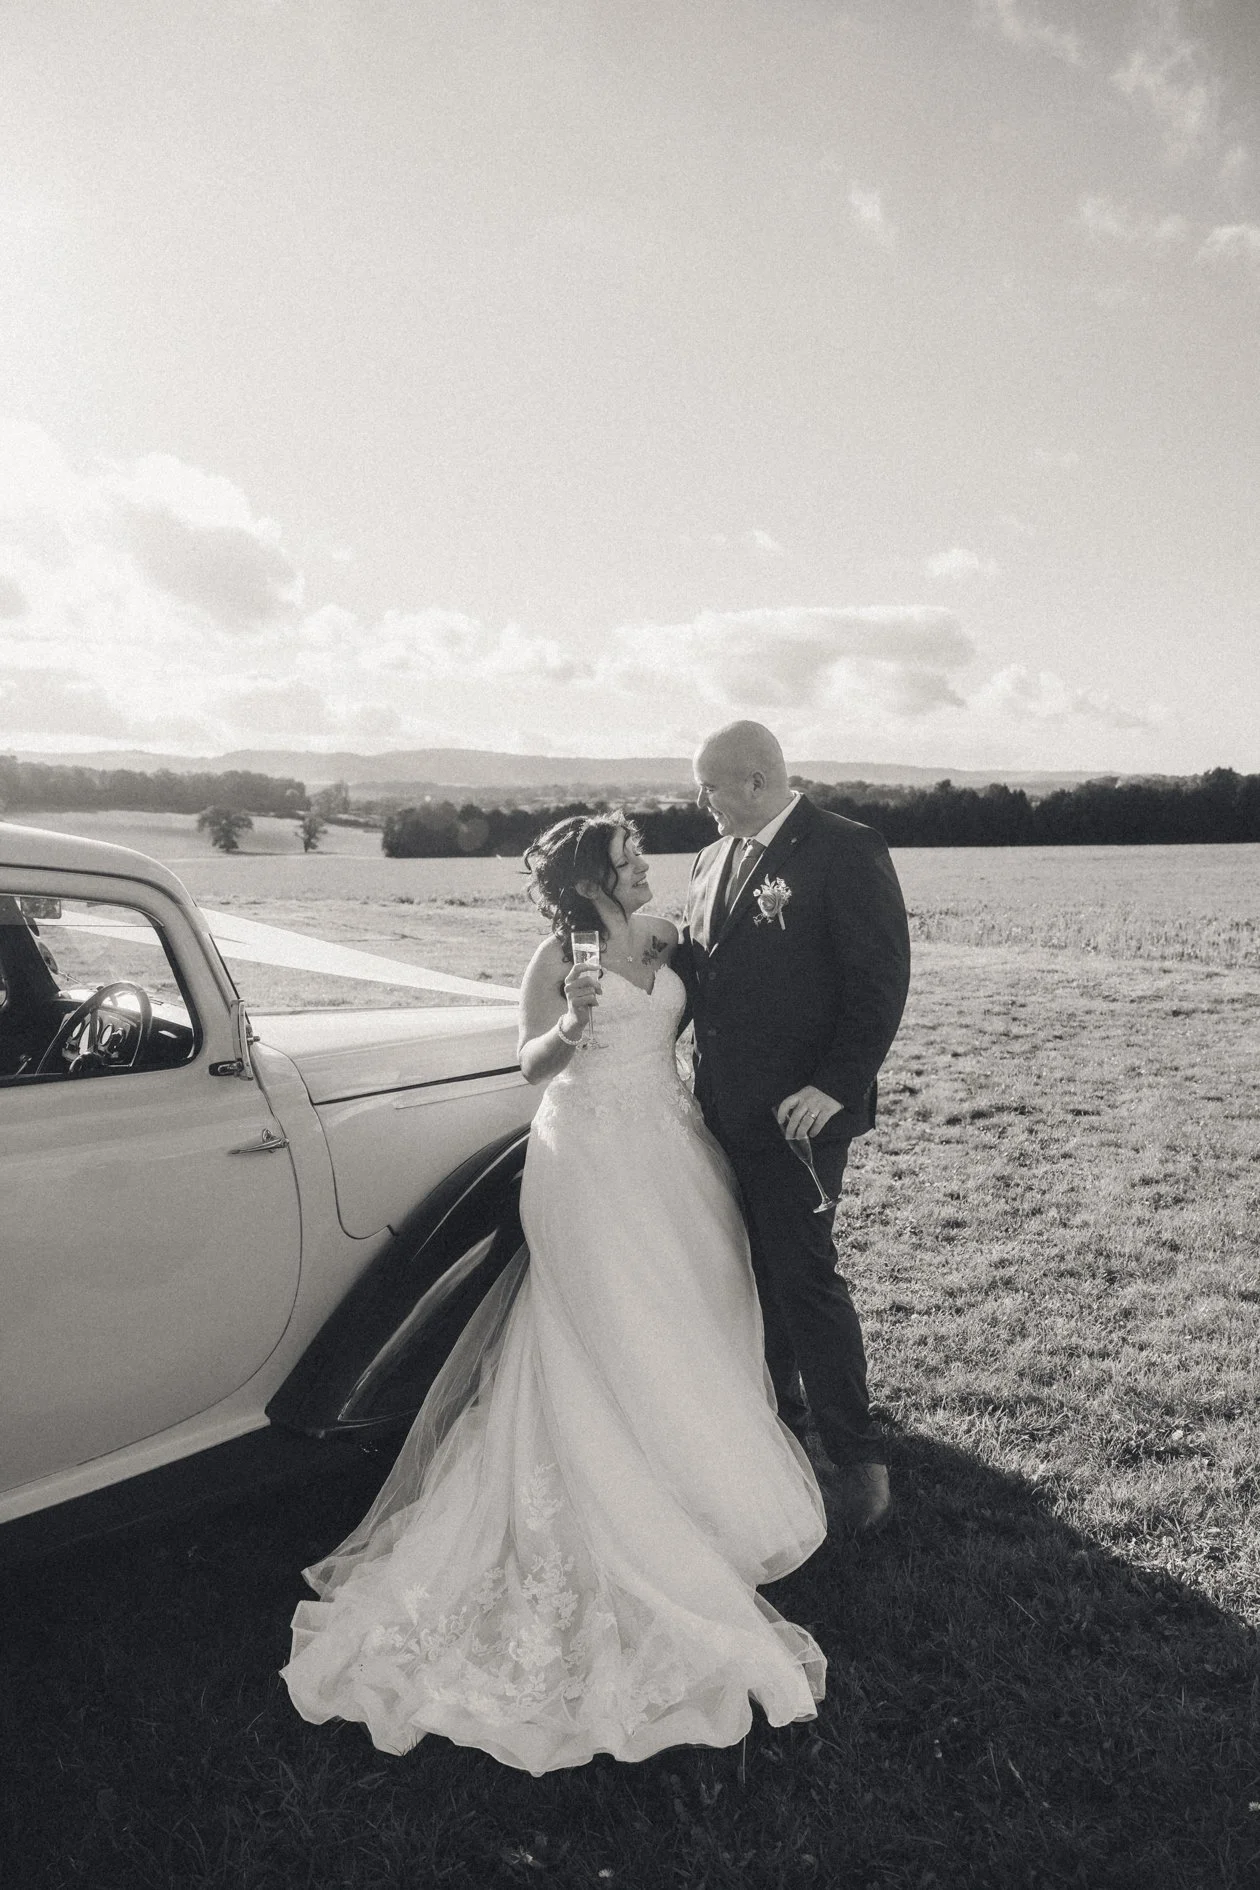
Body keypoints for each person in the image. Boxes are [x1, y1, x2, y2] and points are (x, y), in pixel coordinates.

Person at [281, 813, 827, 1774]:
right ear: (591, 882)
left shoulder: (663, 939)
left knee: (691, 1316)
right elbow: (529, 1062)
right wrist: (574, 1021)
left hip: (674, 1153)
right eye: (629, 859)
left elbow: (729, 1000)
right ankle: (611, 1503)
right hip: (588, 1161)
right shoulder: (556, 955)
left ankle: (698, 1490)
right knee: (604, 1327)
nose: (646, 866)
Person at [680, 722, 911, 1534]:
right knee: (745, 1269)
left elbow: (879, 984)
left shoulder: (845, 849)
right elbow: (702, 971)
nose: (697, 799)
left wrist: (831, 1087)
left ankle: (856, 1459)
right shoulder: (711, 859)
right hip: (716, 1108)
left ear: (753, 781)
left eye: (706, 785)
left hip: (797, 1116)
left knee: (804, 1275)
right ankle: (778, 1422)